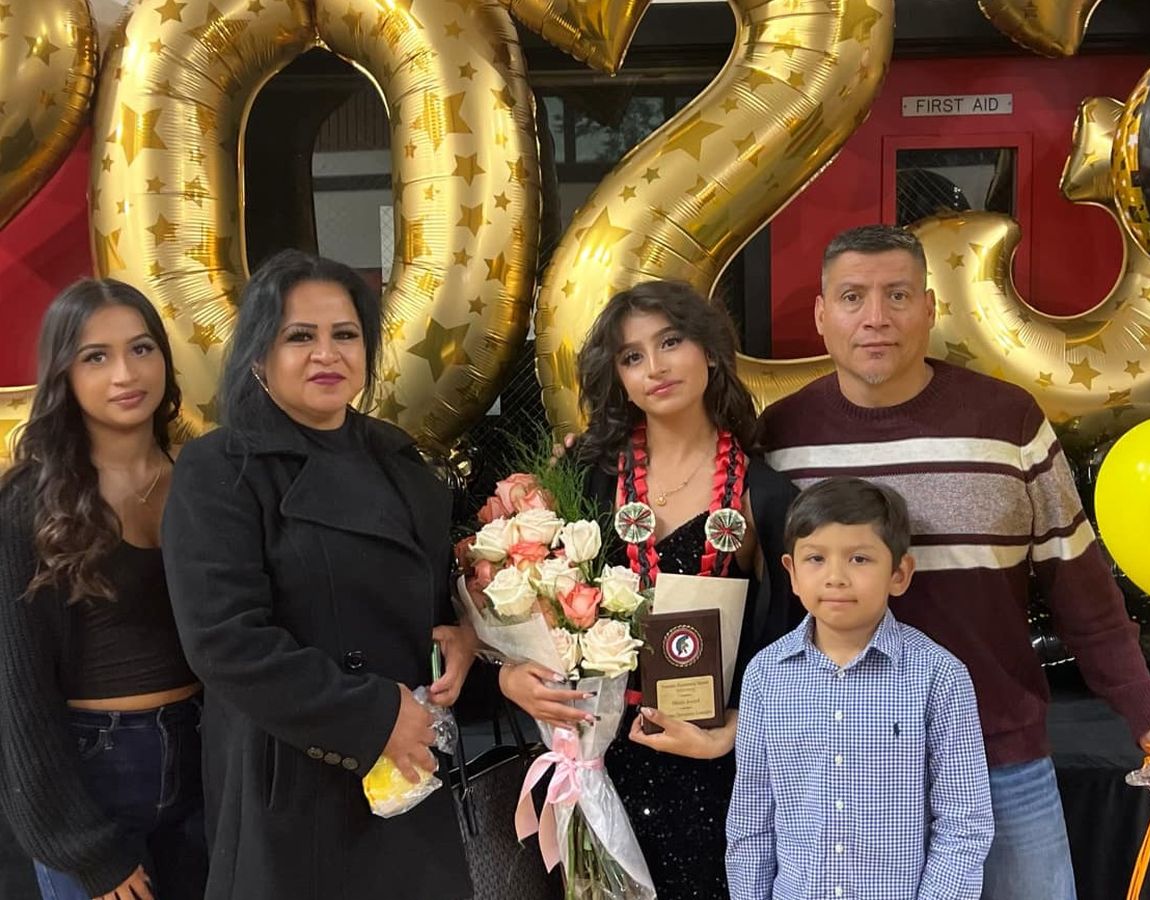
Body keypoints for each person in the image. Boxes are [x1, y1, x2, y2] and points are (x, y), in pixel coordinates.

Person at [757, 224, 1150, 900]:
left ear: (929, 307)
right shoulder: (781, 438)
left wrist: (1147, 712)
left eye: (897, 295)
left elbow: (1081, 591)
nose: (875, 317)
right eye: (851, 297)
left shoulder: (1009, 421)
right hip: (843, 767)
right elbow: (758, 600)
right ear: (822, 316)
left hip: (1002, 758)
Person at [160, 250, 475, 900]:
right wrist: (373, 716)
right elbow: (224, 641)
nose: (326, 354)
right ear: (258, 355)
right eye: (299, 336)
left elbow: (426, 600)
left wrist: (464, 636)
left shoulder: (398, 459)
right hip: (292, 779)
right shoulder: (222, 467)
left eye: (345, 335)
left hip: (410, 773)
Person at [500, 280, 800, 899]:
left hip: (713, 768)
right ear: (619, 378)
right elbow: (526, 601)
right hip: (597, 758)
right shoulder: (584, 476)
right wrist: (509, 673)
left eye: (671, 342)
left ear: (710, 351)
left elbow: (800, 656)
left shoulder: (766, 496)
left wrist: (735, 731)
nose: (655, 367)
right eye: (632, 356)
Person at [0, 279, 206, 900]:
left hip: (208, 762)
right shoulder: (27, 503)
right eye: (96, 356)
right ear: (63, 373)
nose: (126, 373)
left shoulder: (206, 481)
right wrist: (83, 848)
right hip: (92, 774)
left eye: (142, 348)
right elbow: (18, 696)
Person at [726, 477, 993, 900]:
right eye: (816, 558)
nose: (835, 577)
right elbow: (751, 821)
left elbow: (964, 824)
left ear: (899, 574)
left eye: (859, 559)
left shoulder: (939, 676)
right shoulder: (765, 676)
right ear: (791, 573)